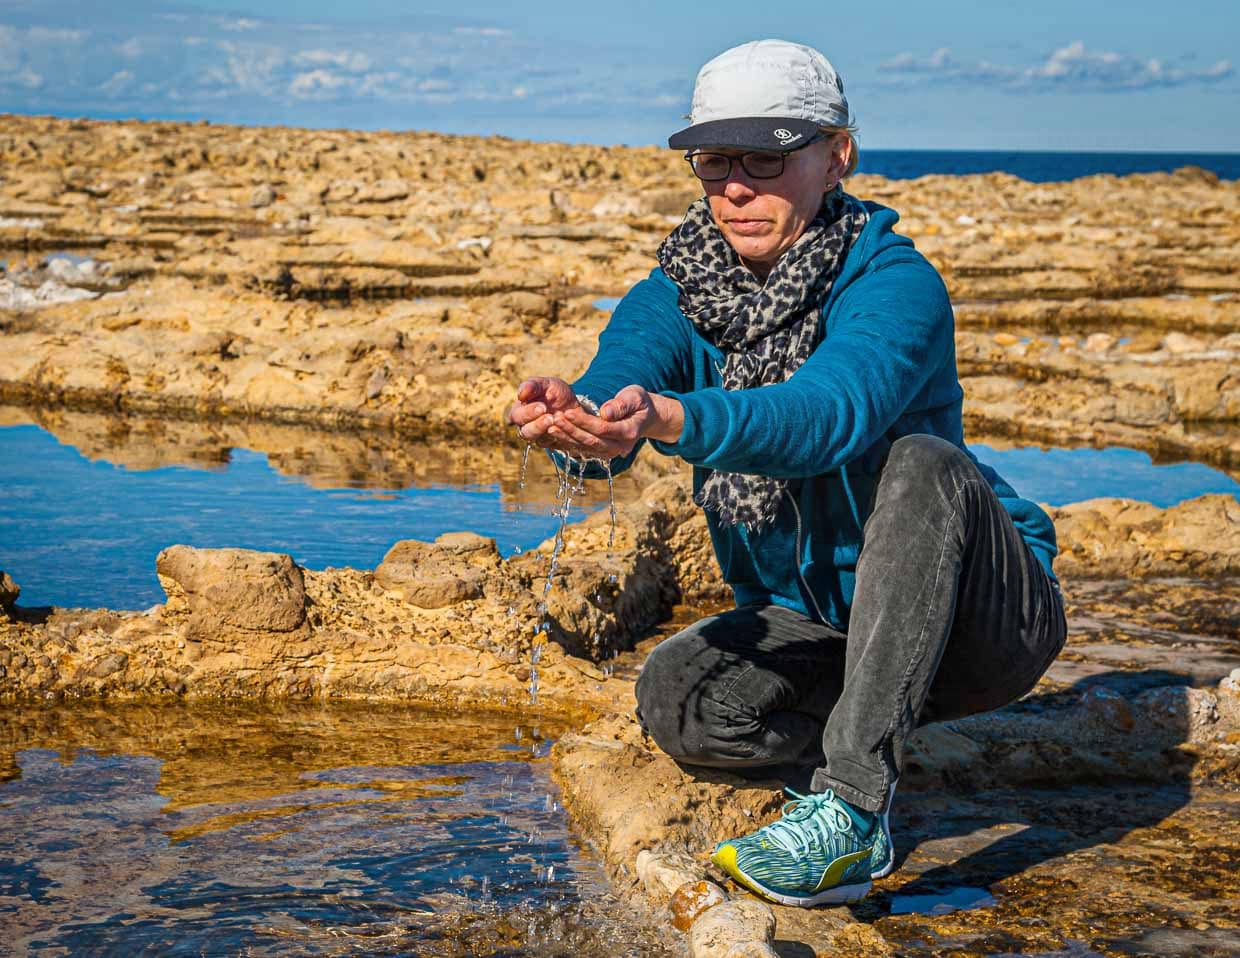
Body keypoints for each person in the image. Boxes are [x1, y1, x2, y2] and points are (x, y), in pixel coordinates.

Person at [505, 38, 1065, 908]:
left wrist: (677, 419)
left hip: (980, 621)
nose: (735, 187)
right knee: (678, 699)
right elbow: (626, 375)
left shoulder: (894, 283)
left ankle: (851, 814)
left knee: (923, 466)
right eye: (714, 160)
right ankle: (866, 728)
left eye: (765, 157)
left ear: (837, 155)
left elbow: (824, 418)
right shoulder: (681, 286)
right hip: (825, 624)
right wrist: (579, 420)